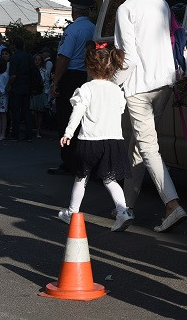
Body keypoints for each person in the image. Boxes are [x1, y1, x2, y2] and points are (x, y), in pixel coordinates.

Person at [111, 0, 187, 233]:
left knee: (146, 146)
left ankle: (171, 203)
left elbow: (127, 58)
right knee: (138, 145)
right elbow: (176, 39)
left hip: (139, 87)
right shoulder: (161, 3)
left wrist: (111, 84)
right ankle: (126, 207)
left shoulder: (125, 9)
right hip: (165, 83)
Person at [57, 41, 133, 232]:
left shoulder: (86, 89)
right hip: (113, 141)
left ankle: (72, 212)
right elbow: (121, 110)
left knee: (81, 178)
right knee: (110, 179)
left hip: (89, 141)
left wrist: (68, 133)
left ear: (89, 68)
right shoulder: (117, 90)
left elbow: (77, 112)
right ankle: (123, 211)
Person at [47, 0, 96, 174]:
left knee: (67, 119)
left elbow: (64, 58)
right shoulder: (94, 28)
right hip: (90, 76)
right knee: (86, 120)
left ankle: (69, 162)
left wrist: (55, 82)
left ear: (74, 11)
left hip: (71, 77)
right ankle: (86, 162)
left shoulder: (72, 30)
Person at [7, 36, 34, 141]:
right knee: (26, 111)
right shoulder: (28, 56)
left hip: (17, 86)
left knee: (15, 111)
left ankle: (15, 134)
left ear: (14, 46)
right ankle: (29, 135)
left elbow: (13, 75)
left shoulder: (14, 57)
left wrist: (7, 86)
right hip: (27, 85)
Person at [30, 52, 50, 138]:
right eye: (35, 60)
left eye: (39, 60)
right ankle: (35, 126)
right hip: (33, 92)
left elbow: (46, 82)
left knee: (40, 112)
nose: (37, 61)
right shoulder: (31, 70)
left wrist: (46, 93)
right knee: (33, 111)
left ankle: (38, 130)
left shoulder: (44, 70)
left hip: (41, 92)